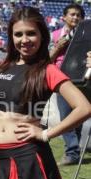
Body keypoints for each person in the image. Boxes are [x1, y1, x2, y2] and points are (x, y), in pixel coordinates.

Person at [0, 7, 91, 179]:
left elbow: (84, 107)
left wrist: (45, 133)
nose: (24, 40)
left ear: (42, 35)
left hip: (29, 155)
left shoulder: (47, 70)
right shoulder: (3, 68)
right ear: (11, 37)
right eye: (18, 34)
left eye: (31, 33)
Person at [49, 3, 85, 166]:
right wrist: (58, 47)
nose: (75, 17)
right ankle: (71, 152)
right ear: (64, 17)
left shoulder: (86, 35)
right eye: (72, 14)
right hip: (62, 79)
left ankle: (73, 153)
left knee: (78, 117)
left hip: (82, 79)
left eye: (78, 15)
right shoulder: (55, 35)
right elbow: (47, 59)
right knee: (66, 116)